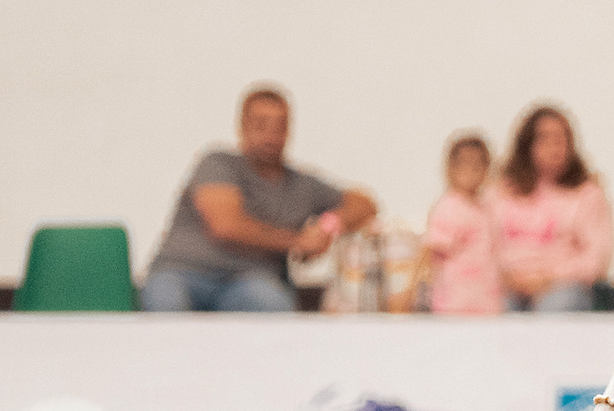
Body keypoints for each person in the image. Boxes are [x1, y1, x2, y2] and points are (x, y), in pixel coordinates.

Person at [141, 86, 377, 313]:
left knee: (274, 305)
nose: (270, 135)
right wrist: (299, 241)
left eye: (280, 126)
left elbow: (364, 203)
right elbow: (226, 226)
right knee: (166, 309)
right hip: (182, 272)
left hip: (250, 282)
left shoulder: (301, 184)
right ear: (242, 127)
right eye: (260, 125)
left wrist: (328, 225)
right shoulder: (217, 163)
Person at [492, 105, 611, 312]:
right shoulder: (502, 191)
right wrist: (509, 278)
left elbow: (595, 260)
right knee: (488, 306)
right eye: (545, 138)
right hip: (507, 286)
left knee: (556, 308)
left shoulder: (587, 194)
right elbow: (485, 244)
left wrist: (547, 278)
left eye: (562, 139)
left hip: (562, 287)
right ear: (527, 144)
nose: (555, 146)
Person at [423, 134, 502, 315]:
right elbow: (432, 251)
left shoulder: (487, 208)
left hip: (486, 300)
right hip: (455, 303)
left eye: (478, 164)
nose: (472, 170)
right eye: (464, 163)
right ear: (451, 169)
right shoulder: (447, 206)